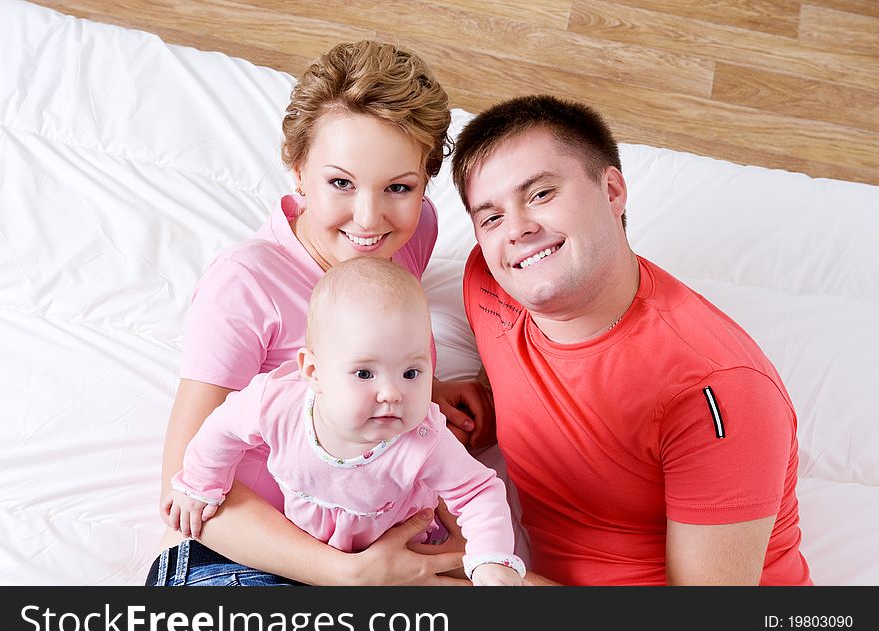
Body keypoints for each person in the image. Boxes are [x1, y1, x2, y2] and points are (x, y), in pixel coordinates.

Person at [146, 40, 494, 586]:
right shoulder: (245, 284)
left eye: (399, 187)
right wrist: (349, 574)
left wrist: (417, 385)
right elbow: (182, 480)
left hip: (378, 537)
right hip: (244, 559)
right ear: (297, 169)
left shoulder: (409, 233)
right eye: (340, 183)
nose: (368, 217)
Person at [450, 94, 813, 586]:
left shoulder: (717, 390)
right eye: (490, 216)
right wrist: (472, 406)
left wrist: (472, 573)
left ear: (613, 191)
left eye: (540, 194)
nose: (516, 229)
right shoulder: (489, 281)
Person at [163, 257, 525, 586]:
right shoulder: (276, 404)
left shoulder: (423, 439)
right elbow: (221, 429)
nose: (391, 393)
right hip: (302, 554)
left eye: (412, 372)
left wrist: (490, 559)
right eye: (365, 373)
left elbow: (478, 491)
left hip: (395, 548)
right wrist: (201, 482)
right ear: (313, 371)